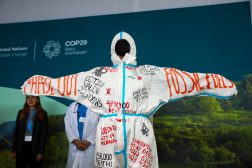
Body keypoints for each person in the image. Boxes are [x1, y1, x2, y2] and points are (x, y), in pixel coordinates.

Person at [21, 32, 237, 168]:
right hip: (113, 128)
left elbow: (182, 80)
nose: (122, 51)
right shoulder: (101, 74)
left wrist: (215, 83)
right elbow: (68, 83)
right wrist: (217, 82)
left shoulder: (147, 73)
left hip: (133, 128)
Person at [11, 95, 48, 168]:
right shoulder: (20, 112)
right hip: (21, 146)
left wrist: (40, 152)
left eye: (33, 97)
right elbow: (16, 132)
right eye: (28, 97)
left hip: (35, 147)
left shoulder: (43, 113)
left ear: (37, 100)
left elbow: (43, 135)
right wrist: (13, 149)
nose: (30, 100)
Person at [64, 101, 99, 168]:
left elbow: (99, 125)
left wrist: (89, 141)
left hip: (90, 147)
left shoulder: (97, 107)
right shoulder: (72, 107)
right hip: (75, 145)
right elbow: (67, 124)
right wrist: (75, 140)